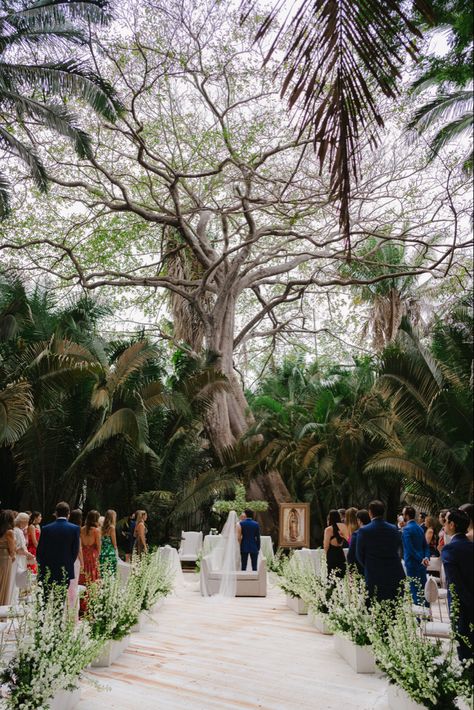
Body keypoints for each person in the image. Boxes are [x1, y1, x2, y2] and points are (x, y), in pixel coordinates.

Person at [356, 500, 405, 602]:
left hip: (374, 574)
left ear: (370, 513)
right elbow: (399, 547)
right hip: (393, 572)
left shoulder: (364, 531)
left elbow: (359, 554)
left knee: (375, 606)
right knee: (393, 607)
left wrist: (368, 565)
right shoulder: (393, 529)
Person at [441, 508, 473, 661]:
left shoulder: (450, 549)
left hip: (461, 608)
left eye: (445, 521)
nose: (443, 525)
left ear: (452, 524)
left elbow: (455, 585)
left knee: (465, 654)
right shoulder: (470, 545)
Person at [36, 501, 80, 586]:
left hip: (47, 567)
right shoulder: (74, 529)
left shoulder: (46, 528)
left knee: (46, 596)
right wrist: (69, 562)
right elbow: (75, 550)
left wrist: (41, 564)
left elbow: (40, 549)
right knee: (61, 597)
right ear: (68, 514)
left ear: (56, 513)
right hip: (65, 567)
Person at [402, 506, 430, 604]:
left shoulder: (406, 530)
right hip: (422, 564)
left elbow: (410, 549)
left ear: (407, 515)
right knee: (423, 589)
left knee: (414, 590)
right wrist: (426, 558)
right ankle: (426, 613)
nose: (402, 516)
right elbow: (426, 546)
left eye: (403, 514)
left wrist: (421, 559)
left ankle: (419, 618)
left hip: (412, 564)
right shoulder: (420, 528)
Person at [323, 510, 348, 579]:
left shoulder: (328, 529)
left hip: (332, 553)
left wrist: (326, 554)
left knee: (332, 575)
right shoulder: (343, 526)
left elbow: (326, 545)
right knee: (342, 574)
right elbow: (349, 539)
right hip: (340, 552)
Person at [0, 509, 16, 605]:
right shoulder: (9, 532)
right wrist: (13, 556)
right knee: (4, 584)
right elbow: (12, 550)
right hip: (5, 558)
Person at [347, 509, 370, 574]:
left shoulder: (356, 534)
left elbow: (351, 555)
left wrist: (350, 570)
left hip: (359, 568)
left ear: (359, 520)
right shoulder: (375, 532)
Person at [100, 509, 118, 575]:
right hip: (109, 552)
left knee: (102, 569)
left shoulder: (102, 527)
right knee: (110, 571)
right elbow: (114, 543)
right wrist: (116, 551)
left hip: (102, 551)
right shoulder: (112, 528)